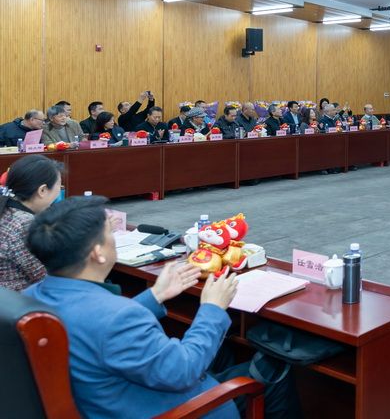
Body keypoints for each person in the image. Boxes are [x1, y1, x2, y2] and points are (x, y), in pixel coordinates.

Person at [24, 196, 297, 418]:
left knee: (223, 350)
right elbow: (184, 371)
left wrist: (155, 295)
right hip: (168, 407)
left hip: (102, 397)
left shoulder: (28, 299)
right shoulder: (118, 317)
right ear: (97, 253)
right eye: (110, 233)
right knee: (275, 369)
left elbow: (97, 324)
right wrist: (212, 308)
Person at [0, 155, 63, 291]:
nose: (60, 192)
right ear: (42, 190)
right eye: (59, 186)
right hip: (19, 300)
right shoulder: (24, 224)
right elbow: (47, 277)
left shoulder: (6, 209)